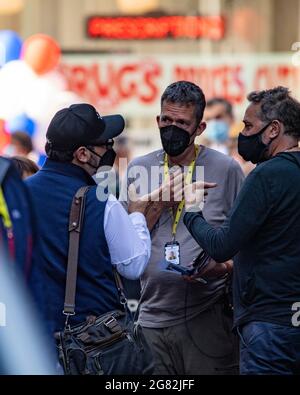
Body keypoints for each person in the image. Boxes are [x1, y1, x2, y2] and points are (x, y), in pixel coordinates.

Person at [120, 81, 245, 375]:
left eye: (181, 123)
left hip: (207, 317)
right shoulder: (139, 169)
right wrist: (160, 202)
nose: (171, 128)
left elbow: (246, 240)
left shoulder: (226, 170)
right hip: (149, 316)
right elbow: (126, 243)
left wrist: (224, 267)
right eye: (166, 120)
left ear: (199, 128)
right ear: (157, 120)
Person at [184, 86, 300, 375]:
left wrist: (191, 211)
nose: (243, 134)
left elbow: (222, 245)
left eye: (249, 126)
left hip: (269, 325)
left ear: (274, 129)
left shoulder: (267, 174)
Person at [25, 104, 152, 346]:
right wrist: (137, 215)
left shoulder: (20, 193)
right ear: (82, 154)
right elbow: (133, 265)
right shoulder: (102, 201)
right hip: (92, 344)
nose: (109, 149)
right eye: (105, 143)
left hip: (36, 338)